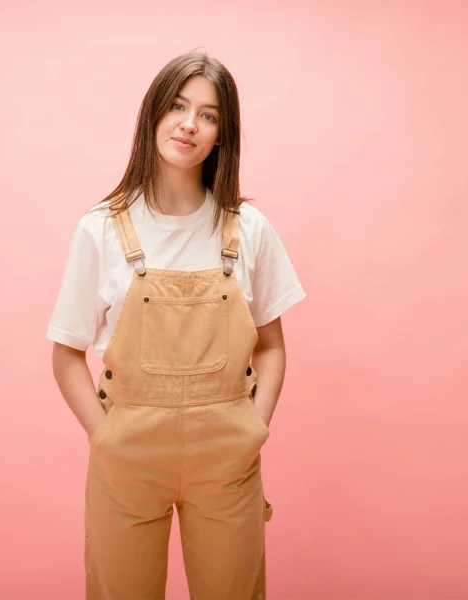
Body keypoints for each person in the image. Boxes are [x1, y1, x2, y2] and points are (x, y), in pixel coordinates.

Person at [46, 51, 306, 600]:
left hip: (227, 455)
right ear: (153, 114)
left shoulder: (249, 228)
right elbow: (65, 354)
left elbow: (273, 347)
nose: (190, 123)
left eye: (209, 115)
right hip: (127, 455)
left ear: (222, 136)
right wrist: (107, 436)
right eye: (178, 105)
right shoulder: (99, 229)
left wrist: (253, 430)